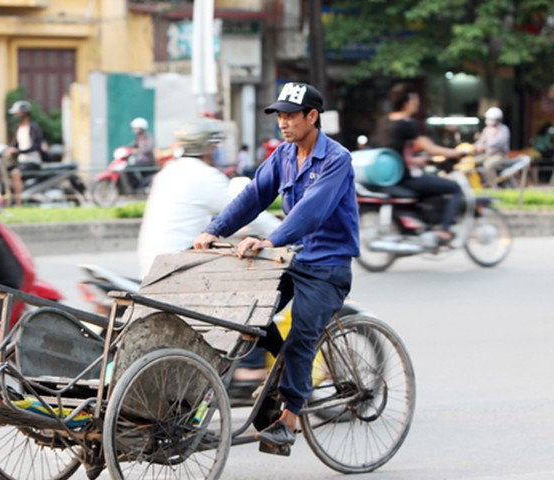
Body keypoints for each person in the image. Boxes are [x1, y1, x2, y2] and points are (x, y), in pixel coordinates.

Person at [193, 82, 360, 453]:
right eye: (279, 116)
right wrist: (213, 229)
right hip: (290, 258)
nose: (283, 123)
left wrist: (271, 240)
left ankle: (289, 420)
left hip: (327, 264)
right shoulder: (284, 156)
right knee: (245, 315)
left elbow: (312, 210)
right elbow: (253, 196)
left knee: (302, 335)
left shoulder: (336, 159)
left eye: (290, 115)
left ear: (312, 117)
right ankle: (282, 370)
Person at [138, 117, 279, 276]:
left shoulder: (169, 171)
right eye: (216, 146)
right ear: (209, 148)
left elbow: (190, 219)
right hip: (175, 268)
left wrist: (239, 231)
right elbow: (243, 209)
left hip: (150, 267)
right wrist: (281, 232)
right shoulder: (204, 176)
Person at [371, 82, 464, 243]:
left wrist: (418, 161)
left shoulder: (383, 122)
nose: (417, 105)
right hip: (406, 179)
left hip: (390, 176)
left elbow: (393, 152)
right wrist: (457, 152)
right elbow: (430, 148)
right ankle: (444, 231)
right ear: (406, 103)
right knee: (455, 188)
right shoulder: (407, 123)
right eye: (415, 102)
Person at [7, 100, 44, 206]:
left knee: (15, 173)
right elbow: (14, 144)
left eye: (17, 113)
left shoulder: (33, 127)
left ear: (24, 113)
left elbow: (36, 146)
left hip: (32, 161)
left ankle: (18, 203)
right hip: (21, 161)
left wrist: (19, 151)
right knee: (5, 171)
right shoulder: (19, 128)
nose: (15, 115)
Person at [472, 106, 510, 187]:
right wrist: (472, 147)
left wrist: (484, 146)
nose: (488, 120)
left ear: (498, 119)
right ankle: (477, 184)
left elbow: (498, 143)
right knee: (471, 161)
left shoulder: (503, 129)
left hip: (500, 156)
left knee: (488, 165)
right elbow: (480, 142)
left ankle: (493, 186)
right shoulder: (487, 130)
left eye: (490, 118)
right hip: (487, 155)